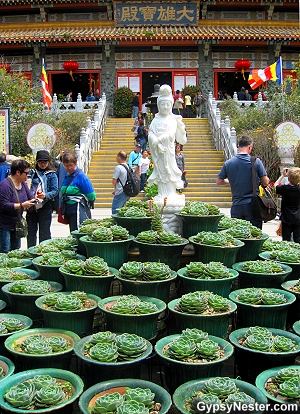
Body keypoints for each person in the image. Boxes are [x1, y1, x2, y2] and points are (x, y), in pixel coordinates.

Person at [216, 135, 269, 229]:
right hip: (253, 206)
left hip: (236, 206)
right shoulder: (256, 162)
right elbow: (265, 182)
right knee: (254, 235)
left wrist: (229, 181)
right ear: (250, 147)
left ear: (238, 146)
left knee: (238, 235)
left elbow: (219, 181)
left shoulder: (229, 163)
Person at [148, 84, 187, 199]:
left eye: (167, 104)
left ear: (171, 105)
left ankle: (170, 195)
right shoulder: (155, 119)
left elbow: (171, 134)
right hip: (158, 152)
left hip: (168, 150)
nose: (165, 107)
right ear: (159, 105)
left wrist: (158, 140)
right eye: (162, 104)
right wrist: (154, 140)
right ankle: (161, 194)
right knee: (161, 172)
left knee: (168, 170)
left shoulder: (172, 119)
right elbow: (150, 133)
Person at [0, 159, 38, 253]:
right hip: (5, 225)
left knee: (16, 251)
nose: (27, 176)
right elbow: (3, 205)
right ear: (18, 172)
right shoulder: (5, 185)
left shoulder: (23, 184)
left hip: (17, 224)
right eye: (26, 173)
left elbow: (30, 196)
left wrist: (37, 199)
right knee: (5, 251)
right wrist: (21, 205)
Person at [26, 150, 59, 247]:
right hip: (32, 206)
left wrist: (45, 196)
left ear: (49, 162)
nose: (43, 164)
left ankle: (44, 253)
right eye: (40, 162)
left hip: (45, 206)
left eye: (45, 162)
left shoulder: (52, 174)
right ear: (37, 162)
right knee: (31, 232)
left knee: (44, 233)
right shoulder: (31, 173)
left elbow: (55, 190)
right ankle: (31, 252)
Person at [60, 151, 96, 232]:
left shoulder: (81, 176)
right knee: (73, 232)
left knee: (78, 232)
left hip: (77, 209)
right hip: (68, 208)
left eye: (71, 166)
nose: (69, 168)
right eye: (66, 166)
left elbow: (91, 195)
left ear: (76, 163)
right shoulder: (67, 175)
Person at [275, 167, 300, 242]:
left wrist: (282, 175)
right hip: (298, 218)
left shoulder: (285, 188)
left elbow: (275, 185)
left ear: (288, 179)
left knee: (286, 239)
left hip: (286, 218)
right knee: (298, 240)